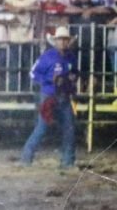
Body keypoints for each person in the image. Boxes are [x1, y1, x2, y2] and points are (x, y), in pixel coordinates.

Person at [21, 26, 78, 169]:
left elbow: (75, 72)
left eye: (65, 40)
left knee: (69, 128)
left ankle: (67, 161)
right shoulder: (47, 56)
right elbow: (33, 73)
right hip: (49, 96)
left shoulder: (71, 57)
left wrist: (73, 77)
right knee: (42, 128)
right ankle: (26, 157)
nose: (63, 42)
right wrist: (48, 81)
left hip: (64, 96)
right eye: (60, 39)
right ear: (56, 41)